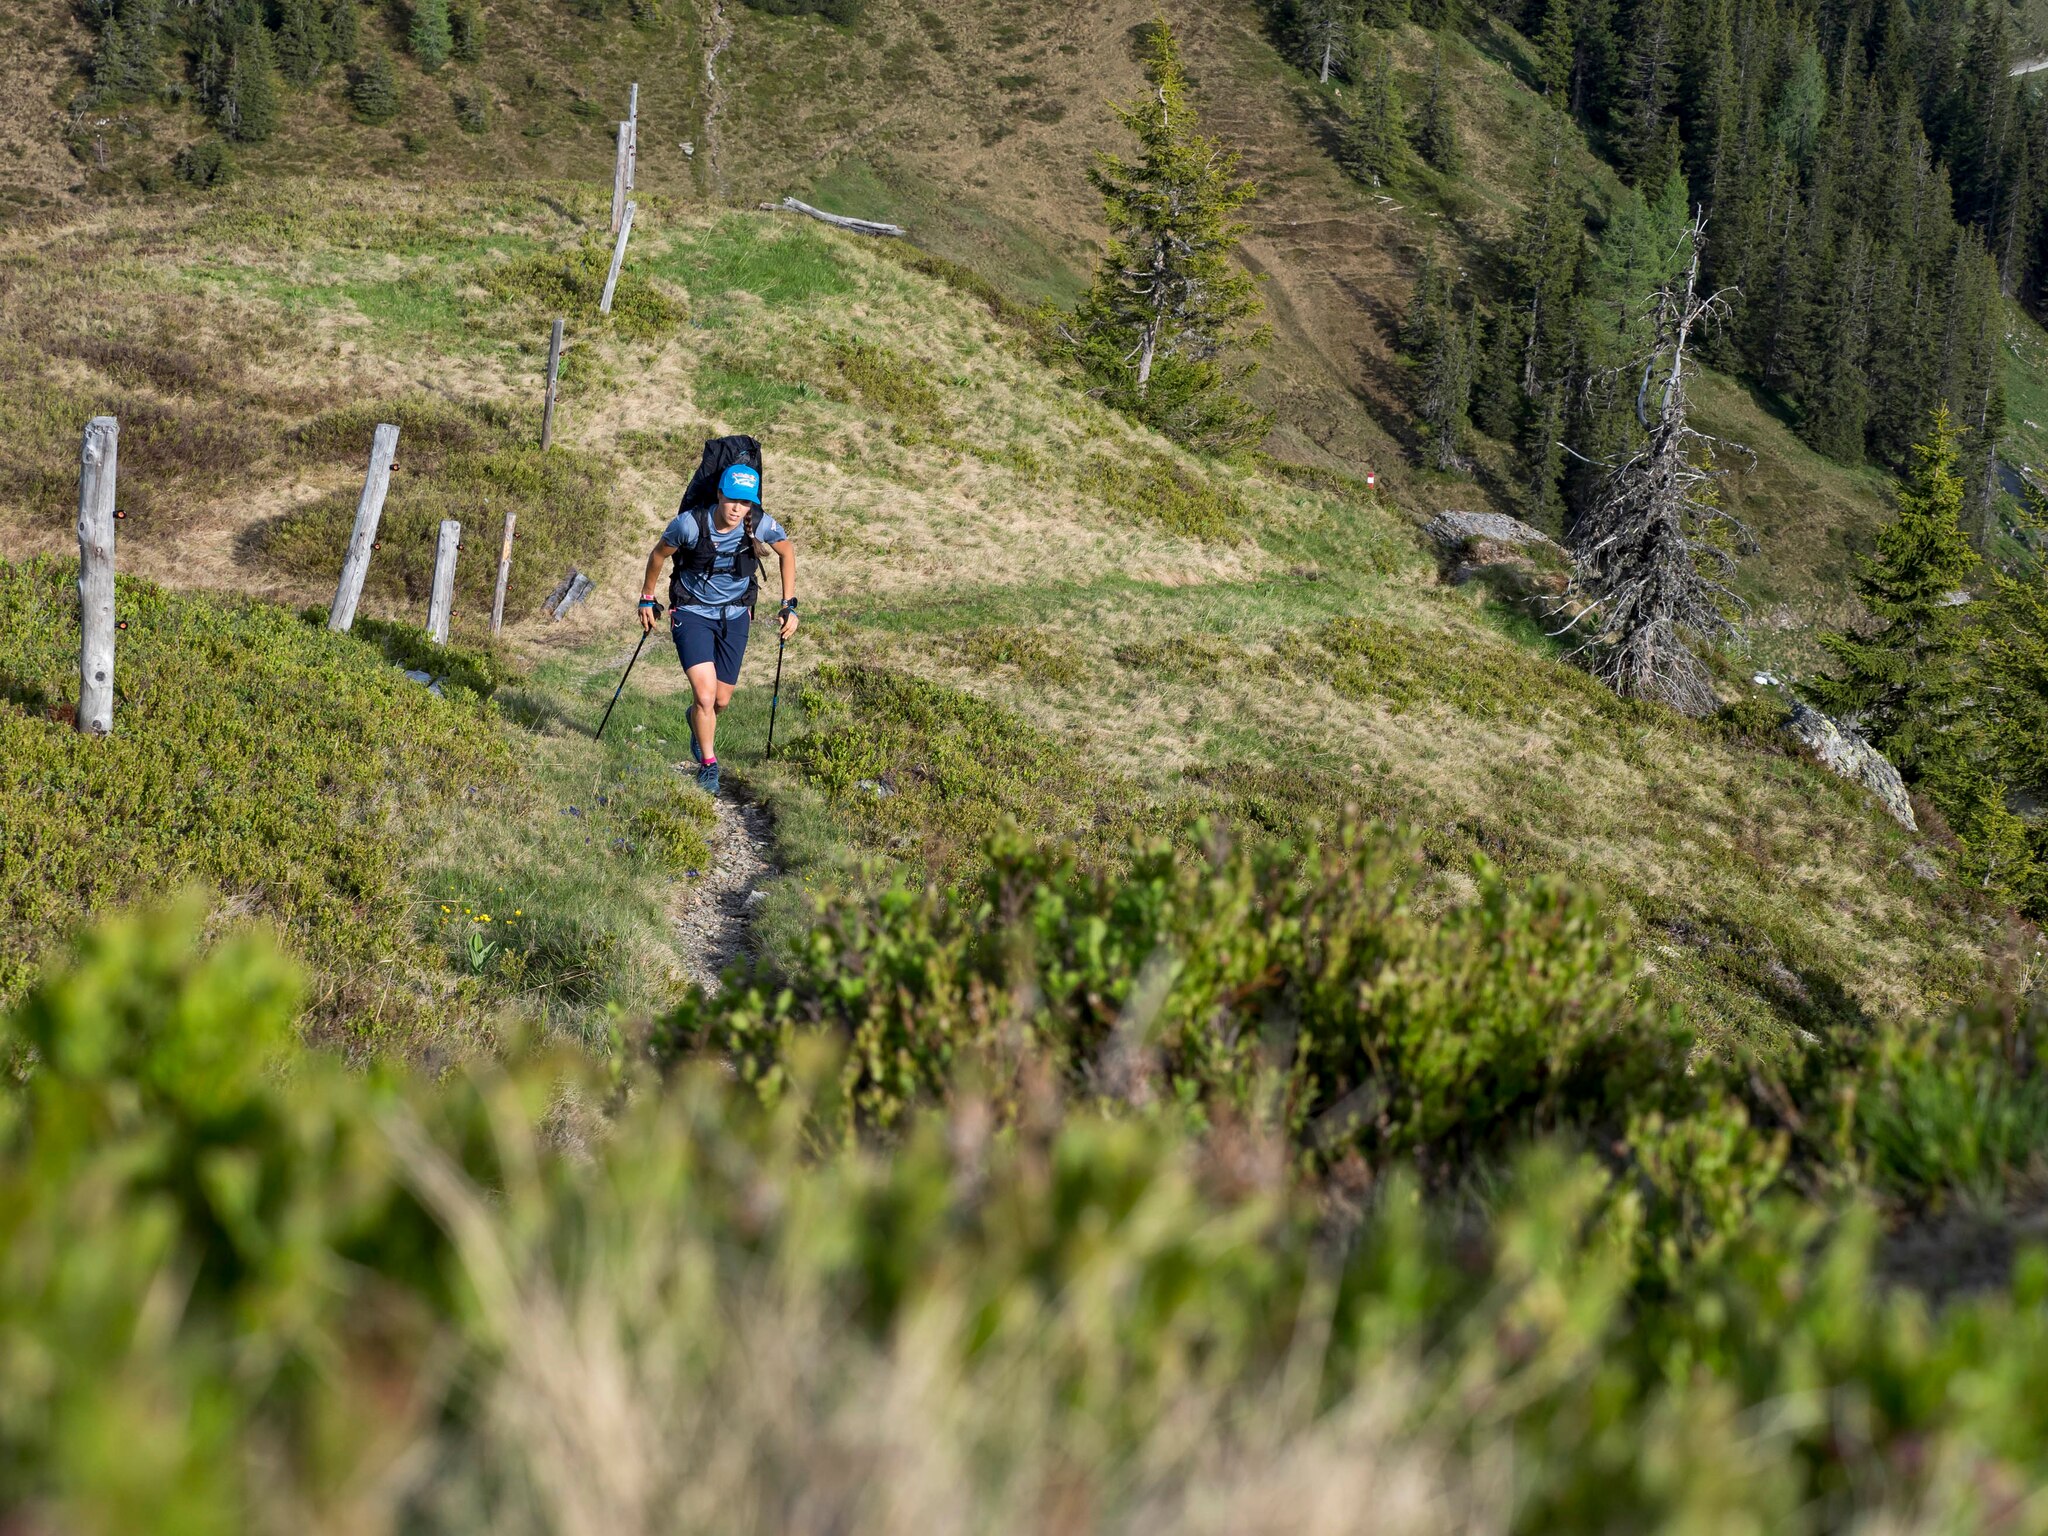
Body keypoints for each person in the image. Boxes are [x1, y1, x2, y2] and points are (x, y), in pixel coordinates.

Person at [638, 462, 797, 795]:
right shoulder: (689, 525)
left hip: (735, 615)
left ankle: (696, 719)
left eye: (746, 502)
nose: (738, 509)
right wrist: (647, 598)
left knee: (721, 701)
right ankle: (709, 765)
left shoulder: (759, 524)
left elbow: (787, 551)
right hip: (692, 611)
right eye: (732, 500)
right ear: (719, 494)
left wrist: (789, 604)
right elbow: (658, 556)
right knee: (706, 696)